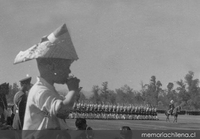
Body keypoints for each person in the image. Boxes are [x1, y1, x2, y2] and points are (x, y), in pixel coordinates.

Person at [14, 23, 82, 138]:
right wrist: (72, 91)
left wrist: (73, 96)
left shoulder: (48, 90)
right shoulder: (40, 91)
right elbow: (62, 111)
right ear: (52, 67)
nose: (69, 71)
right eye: (66, 67)